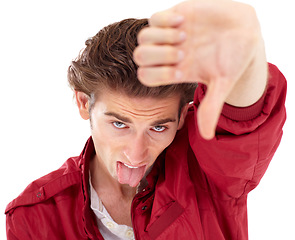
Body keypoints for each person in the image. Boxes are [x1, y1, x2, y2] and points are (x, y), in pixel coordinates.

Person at [5, 0, 286, 239]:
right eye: (119, 124)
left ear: (180, 118)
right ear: (83, 104)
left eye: (158, 126)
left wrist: (246, 67)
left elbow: (238, 127)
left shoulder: (203, 170)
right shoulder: (34, 216)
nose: (136, 153)